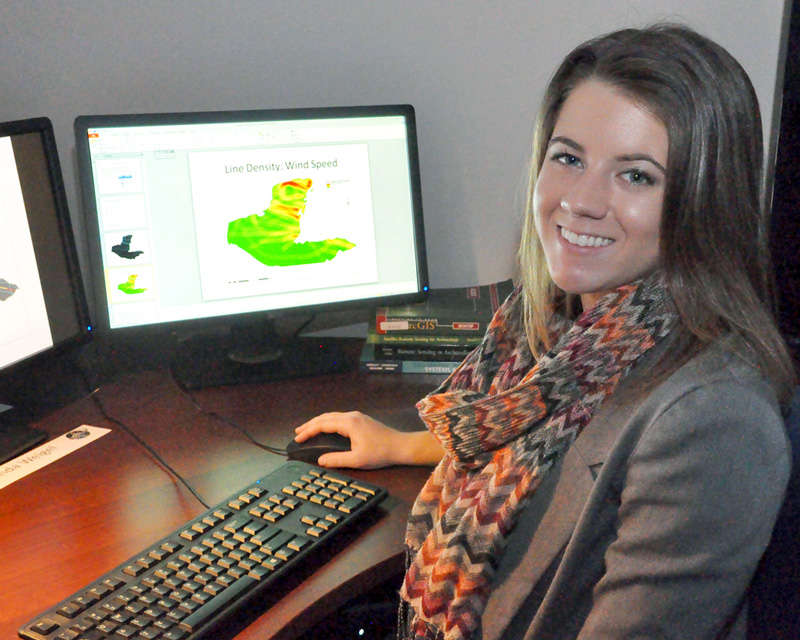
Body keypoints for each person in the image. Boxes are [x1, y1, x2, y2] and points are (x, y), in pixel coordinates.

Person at [295, 23, 796, 640]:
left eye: (636, 175)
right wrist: (401, 445)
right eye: (568, 158)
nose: (581, 200)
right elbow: (539, 439)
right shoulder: (560, 332)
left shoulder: (712, 420)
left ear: (703, 199)